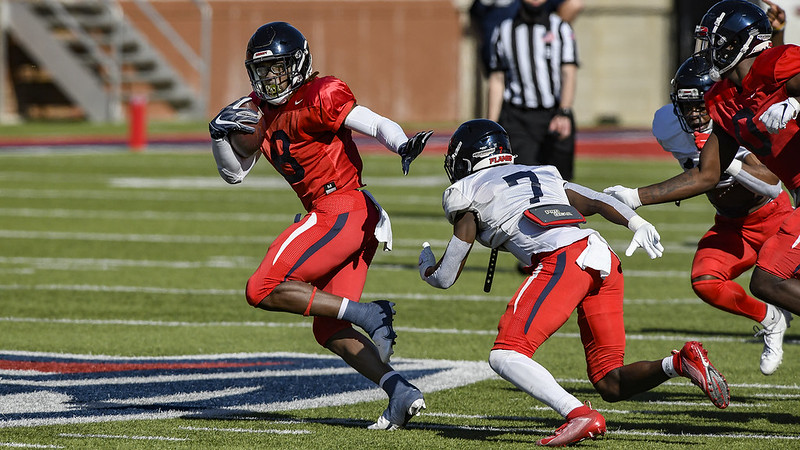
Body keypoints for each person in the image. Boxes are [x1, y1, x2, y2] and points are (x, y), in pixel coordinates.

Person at [418, 119, 730, 446]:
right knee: (610, 382)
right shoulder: (542, 173)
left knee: (505, 355)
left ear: (468, 159)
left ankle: (579, 414)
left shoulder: (465, 191)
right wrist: (637, 223)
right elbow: (596, 200)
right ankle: (679, 362)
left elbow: (446, 277)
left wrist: (426, 268)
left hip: (564, 260)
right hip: (602, 257)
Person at [207, 21, 432, 430]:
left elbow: (374, 122)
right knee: (328, 327)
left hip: (340, 208)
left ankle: (369, 313)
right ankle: (399, 391)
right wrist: (219, 136)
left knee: (261, 288)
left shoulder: (320, 94)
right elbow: (234, 174)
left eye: (277, 68)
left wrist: (402, 143)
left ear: (297, 64)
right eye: (262, 70)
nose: (270, 78)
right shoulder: (255, 111)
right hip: (349, 217)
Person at [604, 1, 800, 328]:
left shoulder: (776, 63)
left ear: (738, 43)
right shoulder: (722, 98)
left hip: (783, 202)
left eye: (714, 42)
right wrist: (634, 197)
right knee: (769, 280)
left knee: (769, 279)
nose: (707, 51)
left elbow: (787, 83)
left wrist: (795, 102)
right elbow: (707, 174)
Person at [647, 53, 793, 375]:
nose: (694, 115)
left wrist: (725, 162)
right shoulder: (667, 126)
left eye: (700, 105)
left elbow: (772, 184)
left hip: (774, 217)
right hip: (730, 223)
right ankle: (771, 320)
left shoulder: (738, 119)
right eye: (687, 106)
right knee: (705, 281)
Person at [486, 0, 579, 180]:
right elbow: (497, 79)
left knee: (560, 182)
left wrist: (564, 112)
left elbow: (569, 72)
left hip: (554, 114)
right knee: (523, 179)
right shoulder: (504, 30)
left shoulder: (560, 28)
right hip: (518, 118)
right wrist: (492, 125)